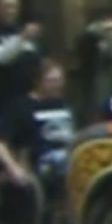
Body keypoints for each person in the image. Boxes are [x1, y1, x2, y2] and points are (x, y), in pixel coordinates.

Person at [0, 59, 74, 202]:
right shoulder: (20, 107)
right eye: (52, 80)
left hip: (67, 167)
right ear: (38, 81)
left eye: (60, 80)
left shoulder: (63, 105)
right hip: (37, 171)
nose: (57, 85)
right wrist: (13, 168)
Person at [0, 0, 42, 114]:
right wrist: (22, 38)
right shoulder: (23, 36)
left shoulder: (21, 32)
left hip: (28, 102)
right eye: (7, 6)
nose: (11, 11)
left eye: (14, 6)